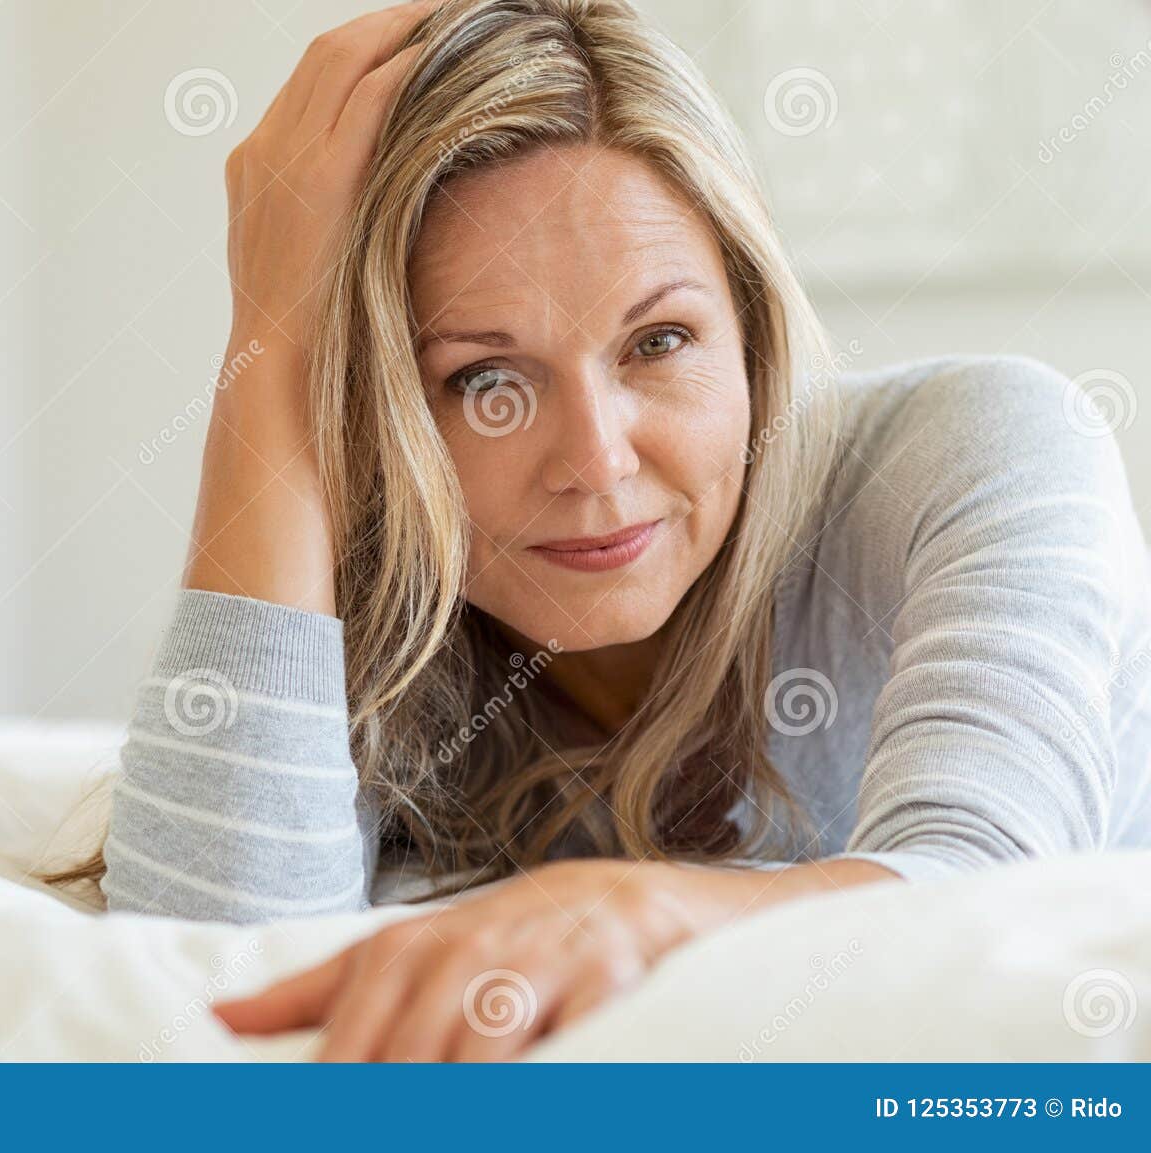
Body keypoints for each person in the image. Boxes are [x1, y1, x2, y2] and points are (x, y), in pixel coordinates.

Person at [65, 0, 1151, 1060]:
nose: (595, 461)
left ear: (751, 329)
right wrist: (275, 336)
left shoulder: (979, 448)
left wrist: (645, 908)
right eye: (483, 378)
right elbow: (205, 978)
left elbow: (990, 893)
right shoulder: (361, 587)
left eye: (659, 340)